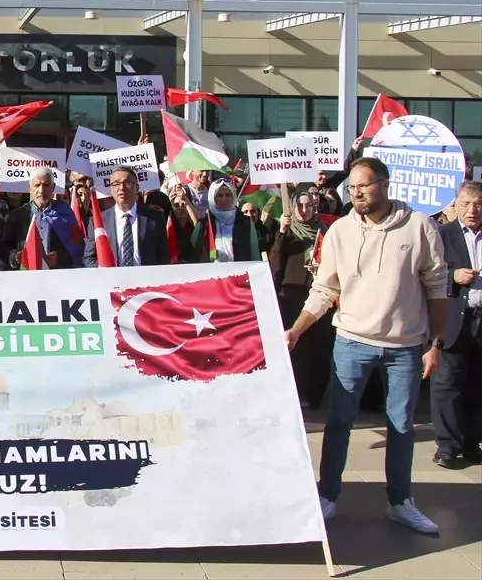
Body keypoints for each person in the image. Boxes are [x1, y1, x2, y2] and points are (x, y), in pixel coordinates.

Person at [285, 157, 448, 534]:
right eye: (352, 187)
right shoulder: (340, 230)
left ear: (386, 185)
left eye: (364, 185)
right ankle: (327, 496)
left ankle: (400, 502)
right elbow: (325, 289)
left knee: (401, 426)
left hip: (405, 347)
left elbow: (438, 289)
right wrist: (297, 329)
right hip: (351, 343)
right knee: (339, 423)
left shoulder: (420, 227)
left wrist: (434, 343)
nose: (356, 192)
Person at [430, 180, 482, 469]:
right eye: (466, 204)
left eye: (477, 204)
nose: (472, 210)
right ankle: (448, 447)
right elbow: (427, 271)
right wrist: (453, 276)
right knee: (448, 384)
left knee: (476, 385)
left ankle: (472, 443)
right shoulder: (442, 234)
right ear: (456, 205)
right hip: (453, 319)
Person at [269, 191, 334, 409]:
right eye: (300, 206)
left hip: (319, 296)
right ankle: (296, 392)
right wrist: (282, 232)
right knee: (297, 347)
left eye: (308, 206)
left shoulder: (325, 232)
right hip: (292, 296)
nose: (304, 210)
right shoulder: (288, 232)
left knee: (319, 346)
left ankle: (315, 395)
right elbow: (275, 263)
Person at [84, 166, 170, 267]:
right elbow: (89, 258)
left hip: (145, 280)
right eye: (116, 184)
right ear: (111, 189)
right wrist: (106, 273)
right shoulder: (98, 221)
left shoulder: (154, 217)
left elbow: (163, 256)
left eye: (127, 183)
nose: (121, 188)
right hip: (113, 280)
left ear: (137, 188)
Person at [1, 168, 84, 270]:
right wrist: (15, 256)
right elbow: (4, 247)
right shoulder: (17, 215)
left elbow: (78, 246)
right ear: (30, 188)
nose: (41, 190)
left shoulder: (65, 212)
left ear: (53, 187)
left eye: (46, 185)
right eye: (37, 185)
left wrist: (59, 257)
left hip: (58, 275)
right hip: (26, 275)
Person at [187, 178, 258, 262]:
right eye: (220, 196)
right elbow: (194, 253)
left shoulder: (245, 222)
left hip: (240, 272)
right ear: (213, 198)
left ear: (233, 197)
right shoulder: (205, 223)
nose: (224, 199)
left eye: (228, 195)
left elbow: (254, 253)